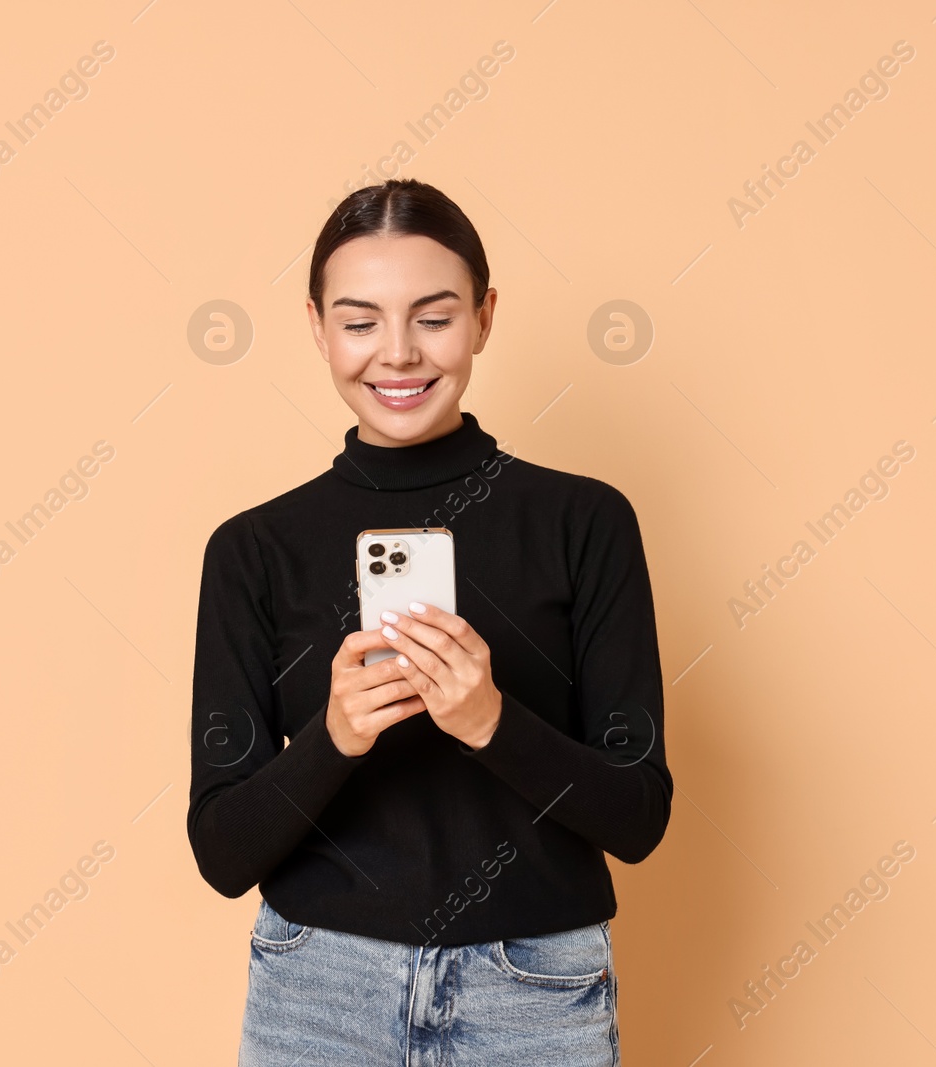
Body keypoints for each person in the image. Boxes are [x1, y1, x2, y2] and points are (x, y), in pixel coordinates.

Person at [188, 177, 671, 1065]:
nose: (399, 354)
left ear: (485, 317)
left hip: (536, 989)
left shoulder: (584, 523)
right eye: (361, 320)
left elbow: (638, 817)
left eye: (435, 316)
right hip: (318, 988)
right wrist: (335, 736)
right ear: (317, 326)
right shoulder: (255, 549)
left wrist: (490, 721)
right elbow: (222, 851)